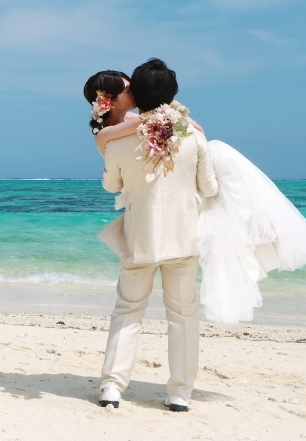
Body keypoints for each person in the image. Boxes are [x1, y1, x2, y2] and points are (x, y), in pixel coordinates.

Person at [92, 58, 219, 413]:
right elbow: (210, 188)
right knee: (182, 315)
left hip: (139, 239)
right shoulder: (193, 135)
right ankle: (180, 393)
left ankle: (112, 387)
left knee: (128, 311)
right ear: (172, 95)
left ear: (136, 94)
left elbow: (110, 186)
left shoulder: (118, 142)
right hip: (184, 240)